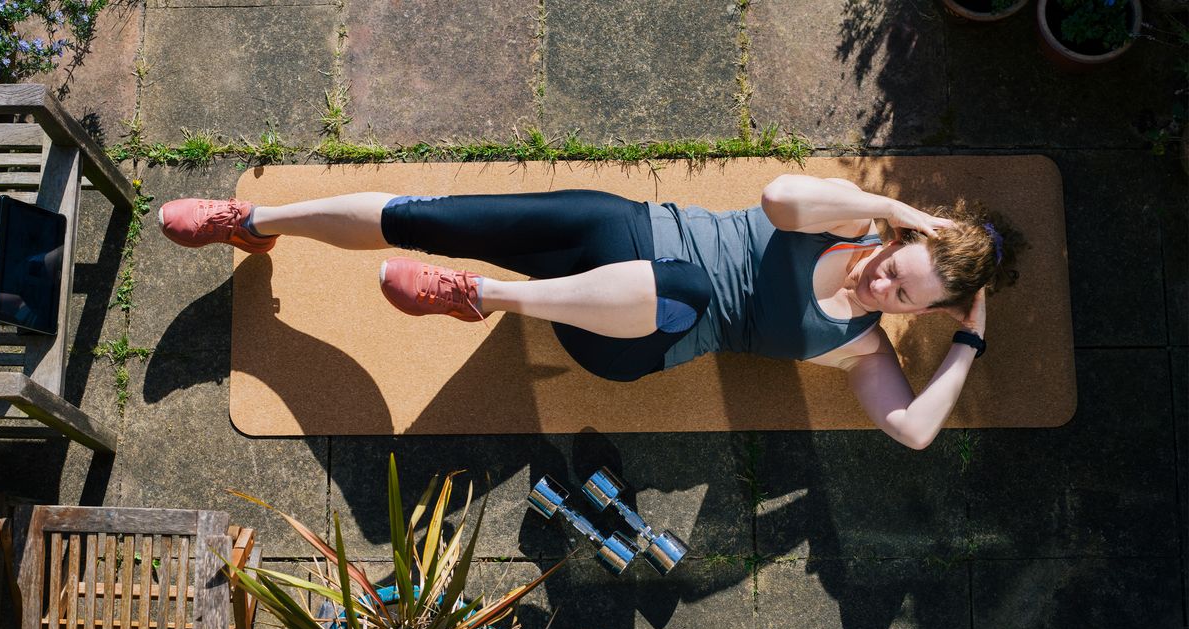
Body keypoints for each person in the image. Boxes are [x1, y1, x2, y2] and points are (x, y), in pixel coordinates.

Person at [158, 176, 1021, 450]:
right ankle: (251, 225)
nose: (878, 282)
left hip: (632, 335)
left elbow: (911, 430)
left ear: (925, 313)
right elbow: (777, 194)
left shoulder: (862, 348)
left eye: (902, 293)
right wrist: (894, 211)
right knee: (433, 217)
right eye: (889, 261)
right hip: (619, 235)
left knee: (682, 286)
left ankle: (478, 296)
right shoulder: (851, 218)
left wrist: (969, 343)